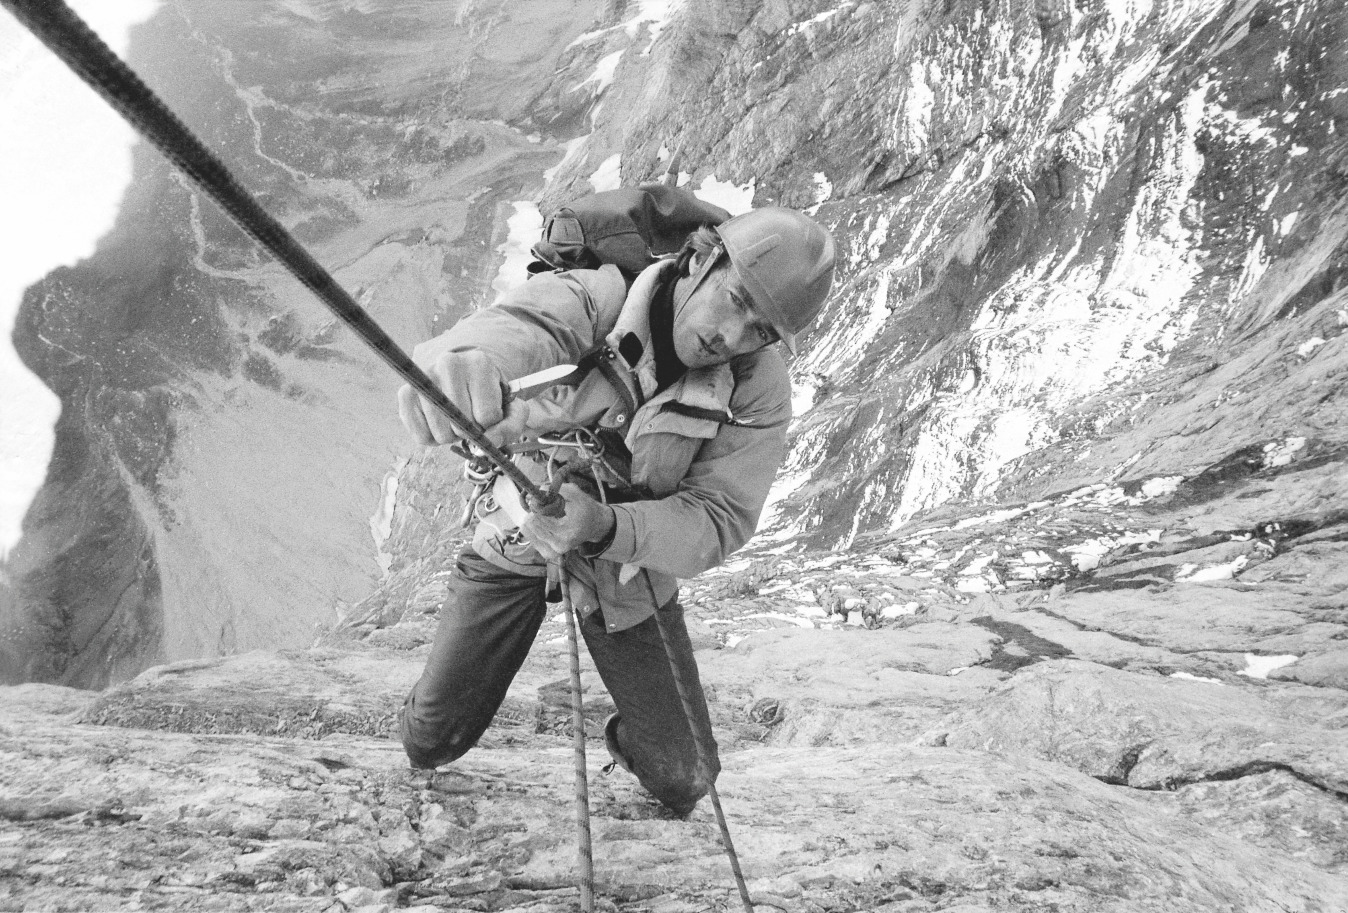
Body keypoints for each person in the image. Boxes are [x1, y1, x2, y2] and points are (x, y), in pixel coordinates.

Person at [395, 205, 835, 815]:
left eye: (759, 330)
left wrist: (605, 527)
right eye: (735, 299)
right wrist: (465, 364)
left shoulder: (756, 386)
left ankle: (637, 732)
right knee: (430, 743)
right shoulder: (598, 294)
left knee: (685, 777)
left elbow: (720, 518)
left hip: (624, 567)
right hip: (520, 536)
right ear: (702, 258)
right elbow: (522, 325)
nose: (731, 336)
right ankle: (425, 717)